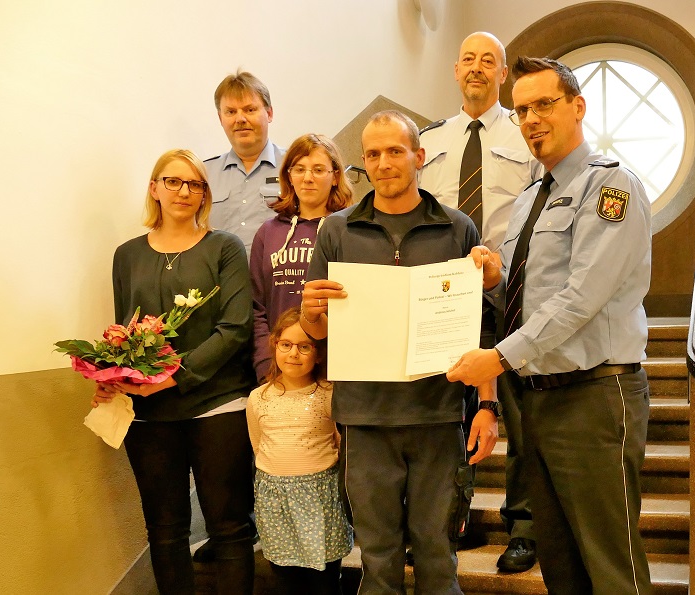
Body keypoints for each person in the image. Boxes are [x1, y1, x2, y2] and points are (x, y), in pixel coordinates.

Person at [447, 57, 653, 595]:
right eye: (521, 109)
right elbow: (531, 297)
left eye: (544, 104)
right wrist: (494, 280)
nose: (532, 118)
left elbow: (582, 297)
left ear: (578, 107)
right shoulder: (526, 202)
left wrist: (495, 360)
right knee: (561, 564)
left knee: (611, 566)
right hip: (536, 397)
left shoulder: (611, 188)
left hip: (594, 395)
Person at [300, 110, 498, 594]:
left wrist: (488, 406)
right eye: (372, 154)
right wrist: (308, 311)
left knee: (436, 552)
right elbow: (317, 328)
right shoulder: (337, 230)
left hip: (437, 414)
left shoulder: (457, 228)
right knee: (378, 556)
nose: (383, 162)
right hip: (365, 418)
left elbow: (481, 330)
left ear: (419, 156)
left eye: (394, 151)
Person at [93, 149, 257, 594]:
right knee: (164, 533)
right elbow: (124, 329)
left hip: (218, 404)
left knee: (229, 528)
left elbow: (235, 328)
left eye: (195, 184)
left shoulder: (224, 247)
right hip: (149, 414)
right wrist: (112, 379)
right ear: (154, 188)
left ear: (205, 193)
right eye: (173, 181)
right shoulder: (126, 255)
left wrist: (175, 376)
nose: (184, 191)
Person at [418, 31, 538, 572]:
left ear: (502, 74)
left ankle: (526, 524)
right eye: (468, 58)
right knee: (449, 408)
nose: (477, 68)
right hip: (445, 289)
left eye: (488, 61)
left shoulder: (526, 134)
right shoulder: (431, 139)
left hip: (511, 284)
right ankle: (453, 520)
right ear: (455, 69)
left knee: (518, 408)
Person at [246, 308, 353, 594]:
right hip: (276, 502)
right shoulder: (259, 398)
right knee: (285, 578)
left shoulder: (330, 394)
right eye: (286, 345)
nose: (293, 353)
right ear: (275, 345)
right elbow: (258, 444)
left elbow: (341, 444)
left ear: (318, 353)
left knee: (325, 581)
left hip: (321, 498)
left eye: (304, 346)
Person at [250, 134, 353, 381]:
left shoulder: (351, 230)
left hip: (336, 369)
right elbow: (256, 309)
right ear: (288, 176)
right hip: (281, 370)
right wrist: (266, 364)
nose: (308, 178)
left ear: (335, 176)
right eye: (299, 169)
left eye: (318, 170)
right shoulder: (268, 232)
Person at [205, 70, 286, 257]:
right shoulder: (204, 175)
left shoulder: (295, 168)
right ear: (220, 119)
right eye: (231, 112)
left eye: (250, 110)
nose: (240, 119)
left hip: (279, 283)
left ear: (269, 113)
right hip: (220, 283)